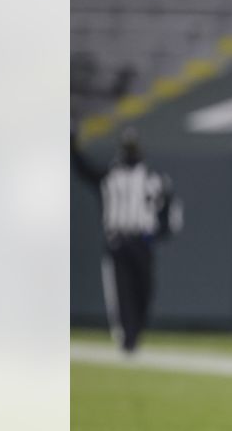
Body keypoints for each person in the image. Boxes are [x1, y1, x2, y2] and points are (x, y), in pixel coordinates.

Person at [71, 126, 182, 353]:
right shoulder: (110, 177)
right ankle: (127, 338)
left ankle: (135, 332)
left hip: (142, 242)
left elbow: (171, 209)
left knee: (144, 291)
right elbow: (83, 168)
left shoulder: (154, 179)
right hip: (118, 241)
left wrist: (159, 233)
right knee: (122, 292)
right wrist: (71, 143)